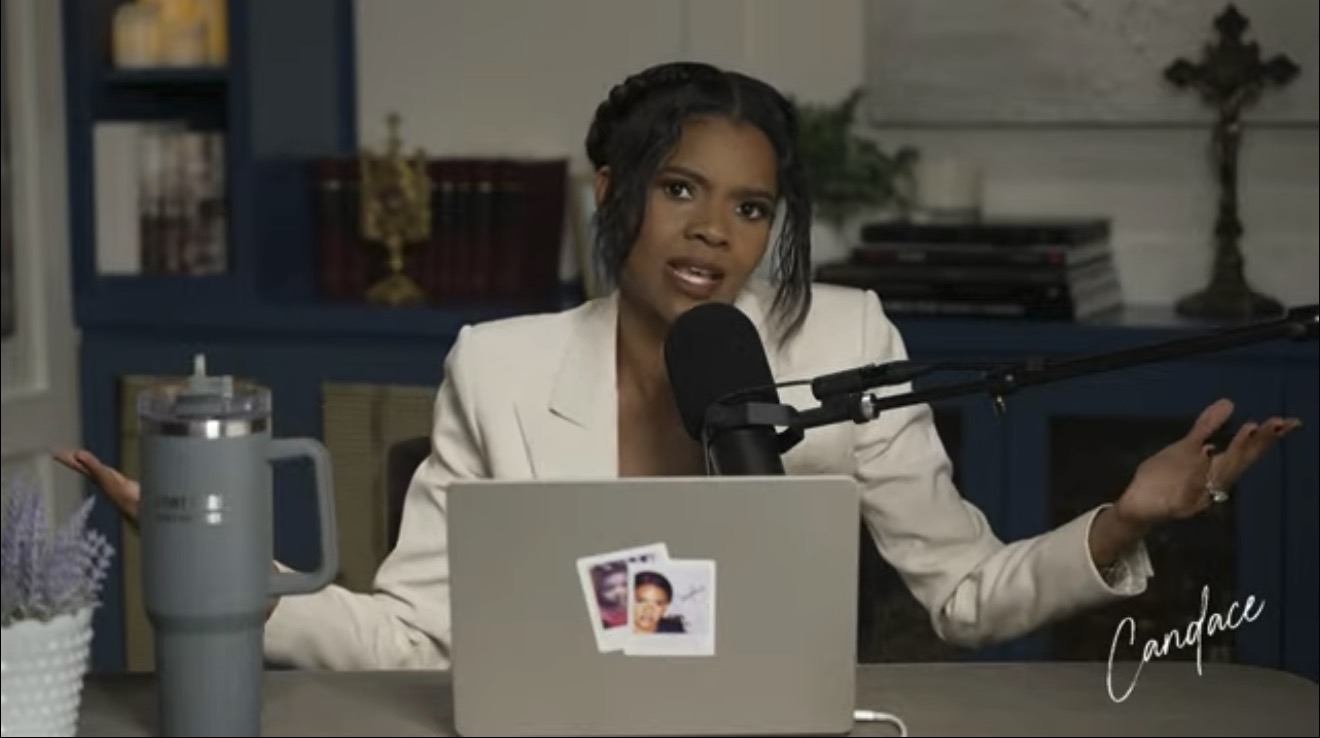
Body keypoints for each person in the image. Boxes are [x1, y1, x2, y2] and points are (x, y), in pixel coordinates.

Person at [56, 61, 1300, 672]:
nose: (715, 231)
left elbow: (965, 596)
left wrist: (1123, 518)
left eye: (752, 209)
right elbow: (417, 635)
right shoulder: (498, 365)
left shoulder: (846, 342)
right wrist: (225, 571)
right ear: (617, 193)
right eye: (683, 190)